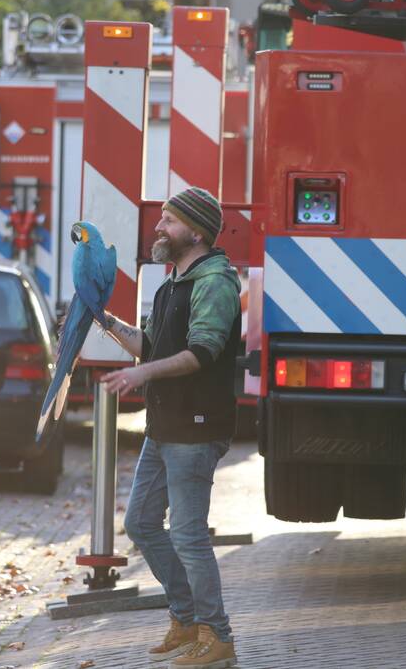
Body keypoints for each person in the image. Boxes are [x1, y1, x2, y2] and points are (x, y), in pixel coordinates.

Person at [99, 186, 241, 669]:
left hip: (196, 430)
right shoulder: (173, 285)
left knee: (187, 534)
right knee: (140, 522)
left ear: (196, 231)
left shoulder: (215, 281)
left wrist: (141, 374)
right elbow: (153, 346)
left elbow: (201, 352)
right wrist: (106, 322)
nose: (158, 228)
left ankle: (217, 636)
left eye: (169, 221)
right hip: (165, 428)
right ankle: (185, 619)